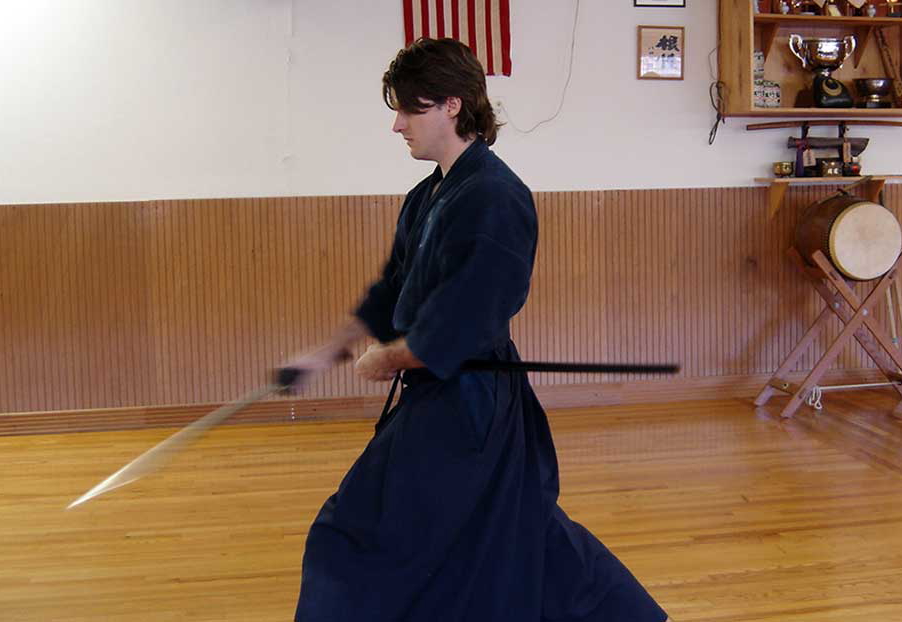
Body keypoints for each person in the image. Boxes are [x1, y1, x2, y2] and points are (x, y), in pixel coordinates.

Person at [278, 38, 670, 622]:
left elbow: (469, 316)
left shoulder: (495, 195)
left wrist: (390, 359)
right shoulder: (427, 195)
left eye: (410, 108)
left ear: (452, 106)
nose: (397, 124)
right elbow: (393, 291)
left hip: (473, 406)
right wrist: (327, 351)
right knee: (513, 533)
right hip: (446, 398)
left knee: (356, 532)